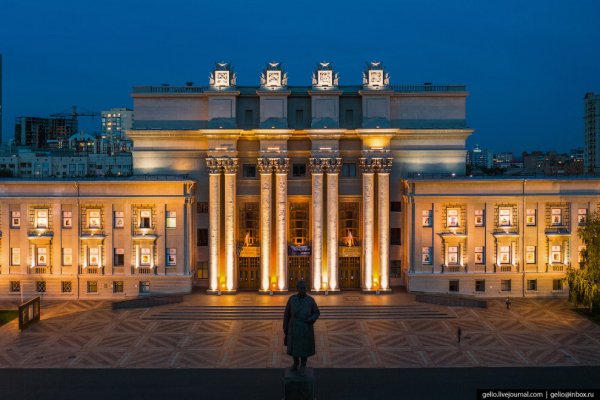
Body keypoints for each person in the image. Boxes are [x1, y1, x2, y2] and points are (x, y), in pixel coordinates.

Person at [283, 280, 320, 374]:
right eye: (301, 288)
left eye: (304, 288)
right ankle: (295, 363)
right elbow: (286, 314)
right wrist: (285, 328)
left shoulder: (310, 300)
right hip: (294, 327)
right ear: (297, 289)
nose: (303, 290)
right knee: (294, 347)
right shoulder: (292, 299)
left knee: (304, 347)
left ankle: (303, 364)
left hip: (305, 327)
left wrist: (311, 319)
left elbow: (316, 312)